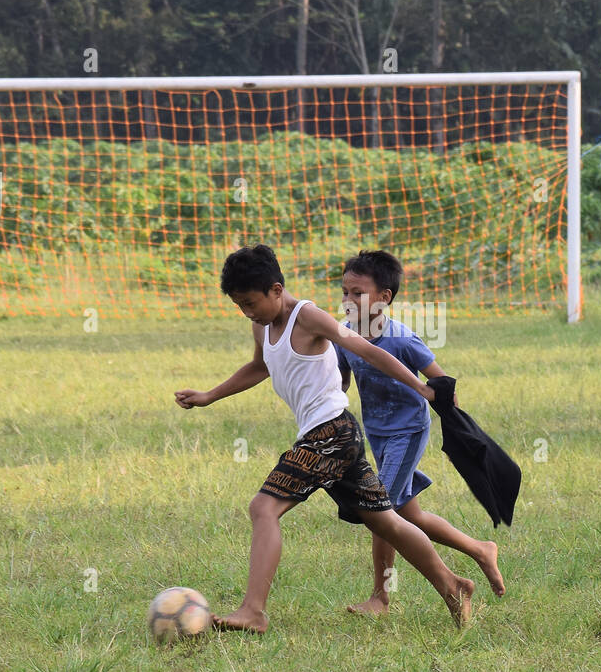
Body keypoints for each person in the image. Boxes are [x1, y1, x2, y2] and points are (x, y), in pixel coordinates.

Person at [175, 244, 475, 632]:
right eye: (240, 305)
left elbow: (366, 349)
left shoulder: (308, 316)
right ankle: (454, 585)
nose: (247, 312)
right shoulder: (261, 325)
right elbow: (259, 366)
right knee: (387, 523)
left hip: (328, 433)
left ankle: (253, 611)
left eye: (251, 302)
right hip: (338, 436)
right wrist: (208, 396)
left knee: (263, 509)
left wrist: (422, 387)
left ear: (277, 290)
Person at [335, 250, 505, 615]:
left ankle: (381, 597)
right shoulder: (343, 335)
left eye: (357, 294)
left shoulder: (401, 339)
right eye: (344, 292)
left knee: (378, 508)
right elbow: (340, 382)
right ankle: (480, 549)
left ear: (384, 297)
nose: (347, 301)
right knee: (410, 516)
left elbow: (441, 383)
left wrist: (461, 430)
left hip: (408, 431)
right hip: (377, 435)